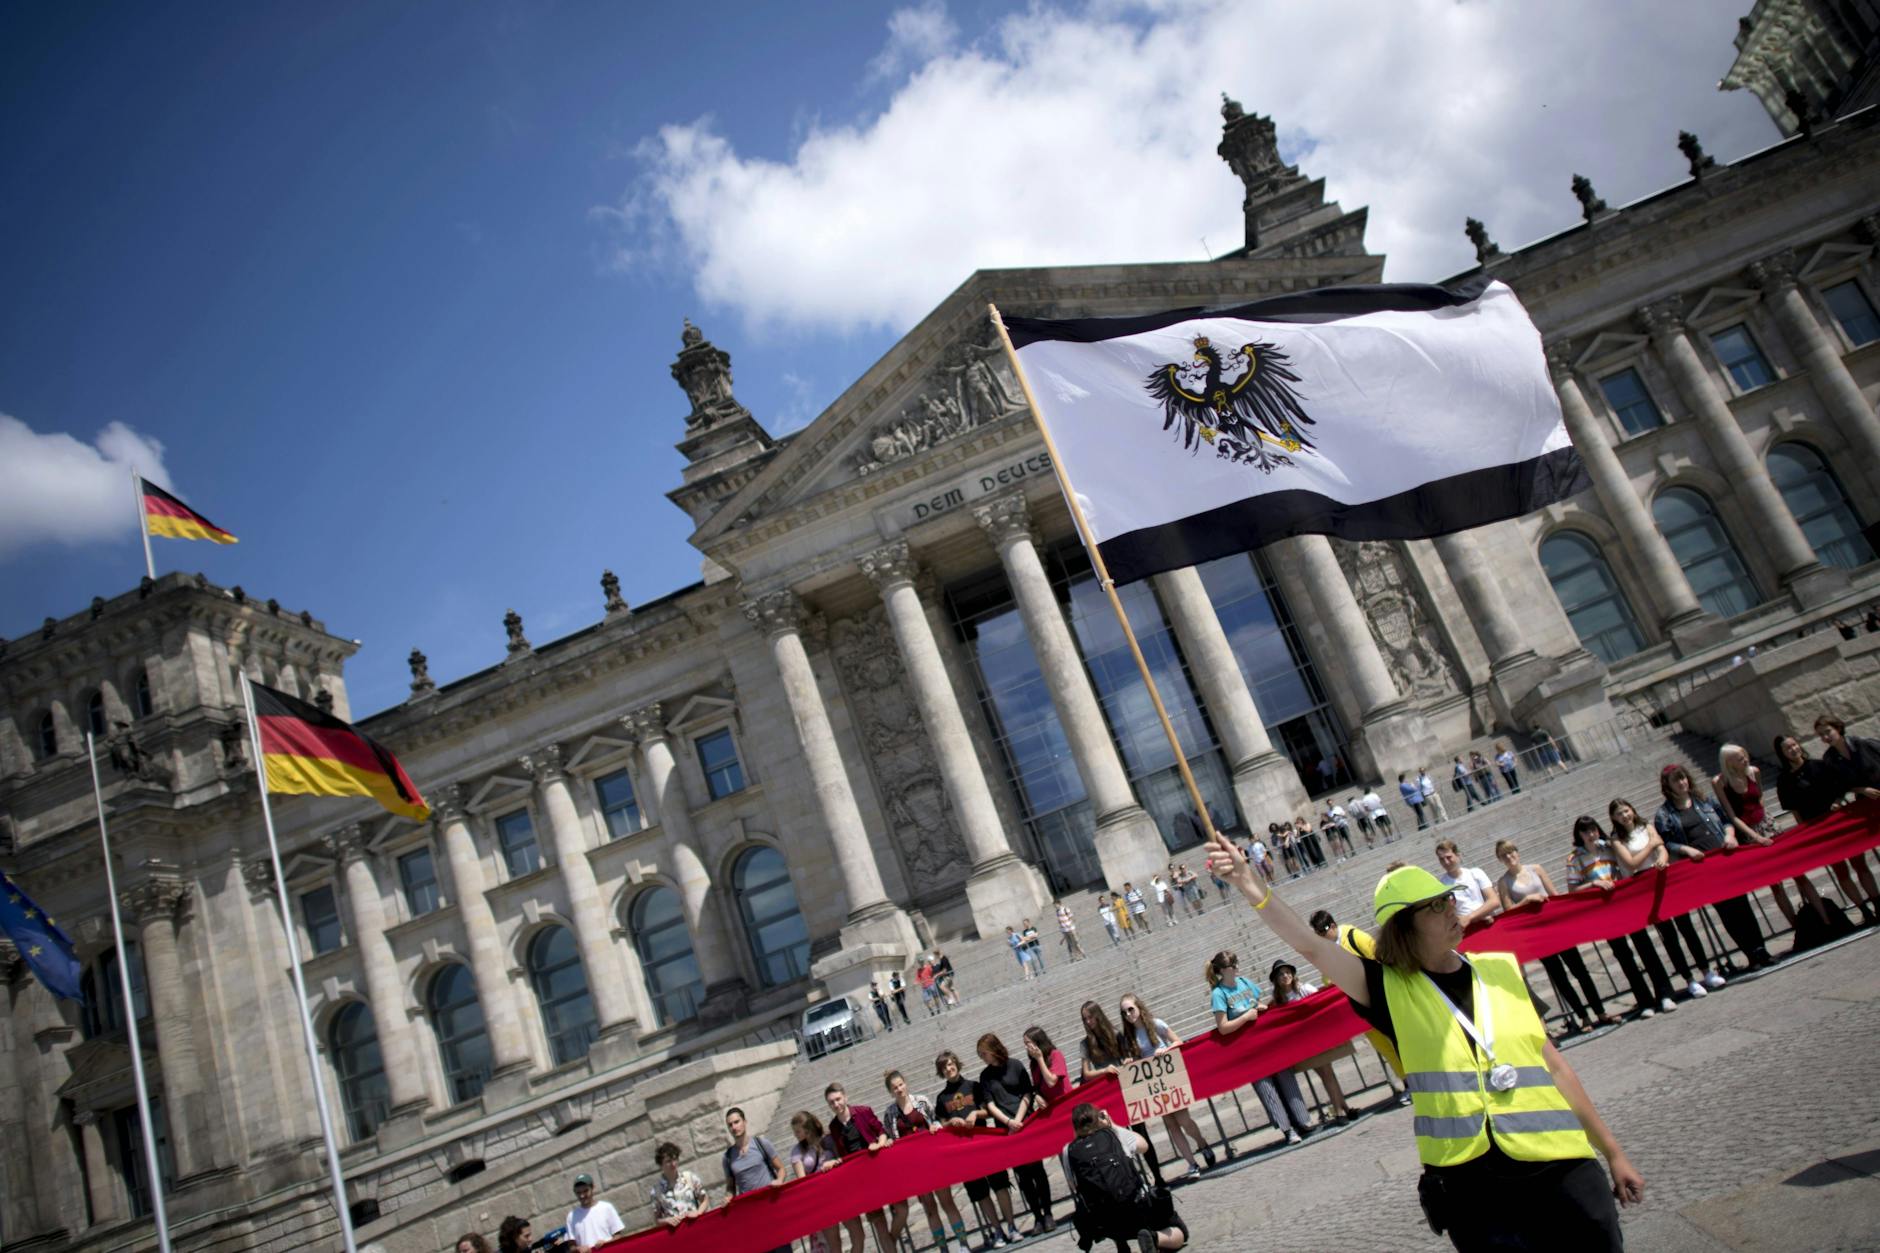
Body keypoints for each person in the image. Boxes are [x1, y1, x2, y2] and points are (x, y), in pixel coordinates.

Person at [1207, 843, 1645, 1252]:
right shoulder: (1386, 989)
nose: (1451, 908)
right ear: (1406, 926)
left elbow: (1556, 1069)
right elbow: (1310, 946)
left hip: (1559, 1163)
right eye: (1436, 906)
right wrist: (1252, 885)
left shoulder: (1499, 971)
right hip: (1472, 1182)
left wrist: (1614, 1151)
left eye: (1449, 899)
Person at [1653, 764, 1775, 970]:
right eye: (1676, 780)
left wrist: (1729, 835)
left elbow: (1726, 821)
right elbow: (1666, 841)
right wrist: (1686, 850)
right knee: (1727, 912)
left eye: (1683, 778)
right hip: (1702, 867)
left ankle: (1762, 950)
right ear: (1668, 785)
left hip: (1723, 859)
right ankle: (1751, 953)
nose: (1682, 783)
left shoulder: (1704, 800)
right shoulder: (1664, 814)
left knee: (1743, 906)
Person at [1492, 840, 1618, 1036]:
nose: (1509, 857)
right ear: (1500, 860)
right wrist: (1526, 901)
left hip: (1554, 925)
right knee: (1559, 977)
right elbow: (1508, 910)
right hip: (1535, 932)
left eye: (1511, 852)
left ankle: (1600, 1011)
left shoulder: (1536, 869)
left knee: (1580, 970)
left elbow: (1554, 894)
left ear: (1517, 852)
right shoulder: (1504, 882)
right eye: (1504, 855)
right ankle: (1582, 1016)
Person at [1564, 817, 1679, 1018]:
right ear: (1579, 835)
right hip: (1604, 911)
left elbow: (1627, 865)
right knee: (1624, 956)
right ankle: (1644, 1001)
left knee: (1645, 947)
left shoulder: (1610, 847)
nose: (1591, 835)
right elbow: (1572, 889)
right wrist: (1593, 884)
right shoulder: (1575, 859)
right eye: (1585, 832)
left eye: (1593, 830)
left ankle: (1664, 994)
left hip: (1625, 903)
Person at [1609, 797, 1723, 997]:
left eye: (1626, 811)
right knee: (1668, 934)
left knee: (1687, 927)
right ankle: (1689, 979)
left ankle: (1706, 971)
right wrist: (1650, 846)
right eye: (1619, 814)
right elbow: (1631, 863)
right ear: (1613, 818)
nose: (1625, 816)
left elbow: (1661, 847)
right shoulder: (1616, 839)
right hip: (1643, 883)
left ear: (1632, 810)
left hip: (1662, 876)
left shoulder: (1646, 826)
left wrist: (1661, 857)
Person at [1714, 743, 1829, 932]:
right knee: (1775, 884)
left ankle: (1825, 920)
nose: (1745, 759)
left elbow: (1759, 797)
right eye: (1739, 758)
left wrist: (1764, 820)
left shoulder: (1754, 772)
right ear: (1728, 762)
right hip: (1748, 832)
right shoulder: (1720, 782)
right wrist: (1755, 837)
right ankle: (1797, 927)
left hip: (1768, 825)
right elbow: (1731, 815)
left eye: (1745, 755)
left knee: (1799, 874)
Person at [1205, 950, 1313, 1143]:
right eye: (1233, 966)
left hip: (1265, 1041)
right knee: (1266, 1088)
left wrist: (1262, 1007)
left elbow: (1256, 1002)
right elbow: (1222, 1027)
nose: (1237, 968)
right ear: (1222, 970)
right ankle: (1287, 1130)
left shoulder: (1245, 982)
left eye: (1237, 964)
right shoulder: (1219, 994)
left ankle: (1301, 1119)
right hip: (1246, 1048)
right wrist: (1246, 1017)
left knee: (1286, 1077)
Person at [1775, 733, 1880, 924]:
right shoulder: (1784, 781)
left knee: (1860, 865)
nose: (1793, 749)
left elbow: (1842, 788)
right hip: (1818, 830)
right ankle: (1864, 910)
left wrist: (1838, 802)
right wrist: (1806, 834)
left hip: (1838, 821)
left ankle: (1877, 903)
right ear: (1782, 753)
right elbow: (1795, 811)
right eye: (1787, 748)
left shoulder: (1820, 765)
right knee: (1841, 872)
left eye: (1794, 745)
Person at [1307, 910, 1410, 1103]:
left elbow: (1377, 955)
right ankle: (1408, 1082)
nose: (1322, 935)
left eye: (1324, 930)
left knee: (1399, 1040)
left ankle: (1420, 1075)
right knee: (1384, 1047)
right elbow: (1328, 977)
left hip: (1382, 998)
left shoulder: (1354, 936)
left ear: (1334, 924)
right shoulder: (1327, 951)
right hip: (1362, 1007)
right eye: (1318, 933)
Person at [1061, 1103, 1187, 1253]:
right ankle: (1154, 1237)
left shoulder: (1068, 1151)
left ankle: (1120, 1242)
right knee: (1180, 1234)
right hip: (1138, 1209)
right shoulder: (1114, 1134)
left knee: (1104, 1191)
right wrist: (1112, 1124)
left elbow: (1073, 1185)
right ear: (1098, 1118)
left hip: (1104, 1221)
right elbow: (1144, 1145)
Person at [1120, 992, 1215, 1180]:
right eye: (1124, 1012)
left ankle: (1202, 1143)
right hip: (1152, 1085)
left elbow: (1178, 1041)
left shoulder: (1155, 1024)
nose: (1128, 1014)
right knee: (1171, 1125)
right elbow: (1134, 1060)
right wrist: (1129, 1061)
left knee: (1184, 1120)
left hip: (1169, 1079)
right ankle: (1192, 1164)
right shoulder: (1128, 1036)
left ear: (1139, 1007)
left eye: (1131, 1009)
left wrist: (1166, 1049)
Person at [934, 1049, 1022, 1249]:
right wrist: (951, 1122)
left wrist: (975, 1114)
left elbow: (988, 1111)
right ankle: (997, 1230)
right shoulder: (941, 1099)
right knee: (981, 1194)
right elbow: (941, 1124)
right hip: (963, 1152)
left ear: (957, 1063)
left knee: (1000, 1186)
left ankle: (1012, 1226)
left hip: (983, 1142)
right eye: (944, 1067)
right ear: (941, 1072)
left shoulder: (974, 1086)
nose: (949, 1069)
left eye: (950, 1064)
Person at [1076, 1002, 1166, 1187]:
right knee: (1116, 1140)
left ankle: (1158, 1177)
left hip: (1126, 1088)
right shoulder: (1086, 1044)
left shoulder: (1116, 1034)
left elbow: (1128, 1057)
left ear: (1098, 1016)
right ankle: (1133, 1182)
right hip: (1107, 1094)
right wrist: (1103, 1071)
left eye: (1090, 1017)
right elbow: (1086, 1073)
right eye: (1085, 1019)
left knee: (1140, 1133)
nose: (1088, 1021)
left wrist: (1126, 1061)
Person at [975, 1034, 1056, 1236]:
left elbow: (1027, 1093)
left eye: (983, 1053)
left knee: (1038, 1170)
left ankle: (1048, 1213)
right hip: (1005, 1128)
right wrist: (1009, 1122)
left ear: (993, 1049)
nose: (982, 1057)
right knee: (1023, 1175)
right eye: (980, 1055)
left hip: (1026, 1121)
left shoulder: (1016, 1065)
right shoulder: (985, 1076)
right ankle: (1037, 1217)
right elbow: (990, 1104)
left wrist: (1018, 1119)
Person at [883, 1070, 970, 1253]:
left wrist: (935, 1126)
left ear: (905, 1083)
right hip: (913, 1166)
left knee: (947, 1202)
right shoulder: (890, 1113)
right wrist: (889, 1142)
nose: (899, 1089)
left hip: (932, 1160)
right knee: (930, 1208)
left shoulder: (921, 1101)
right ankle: (943, 1248)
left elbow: (937, 1120)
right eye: (895, 1088)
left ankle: (963, 1244)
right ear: (890, 1092)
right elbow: (890, 1136)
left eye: (900, 1084)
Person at [1268, 959, 1353, 1124]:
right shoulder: (1278, 1000)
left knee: (1327, 1074)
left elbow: (1321, 1003)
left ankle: (1339, 1112)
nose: (1285, 976)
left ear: (1292, 974)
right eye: (1281, 974)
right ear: (1276, 979)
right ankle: (1344, 1107)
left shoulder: (1304, 988)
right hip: (1303, 1044)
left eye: (1287, 972)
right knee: (1327, 1075)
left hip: (1317, 1038)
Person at [823, 1082, 899, 1253]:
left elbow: (881, 1131)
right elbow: (843, 1154)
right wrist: (835, 1162)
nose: (836, 1104)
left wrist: (878, 1144)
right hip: (861, 1181)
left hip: (880, 1171)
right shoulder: (834, 1127)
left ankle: (892, 1239)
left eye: (838, 1099)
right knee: (879, 1224)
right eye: (832, 1102)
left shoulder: (863, 1111)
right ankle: (890, 1247)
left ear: (845, 1097)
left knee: (901, 1210)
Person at [790, 1111, 858, 1253]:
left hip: (840, 1193)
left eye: (797, 1131)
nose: (795, 1134)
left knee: (858, 1235)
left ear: (807, 1129)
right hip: (820, 1199)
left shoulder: (828, 1139)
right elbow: (801, 1180)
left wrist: (834, 1162)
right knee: (834, 1243)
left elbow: (842, 1159)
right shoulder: (797, 1150)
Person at [1434, 841, 1500, 929]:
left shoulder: (1476, 873)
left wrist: (1470, 917)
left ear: (1457, 855)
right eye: (1441, 859)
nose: (1446, 862)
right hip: (1466, 930)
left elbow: (1494, 901)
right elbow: (1448, 915)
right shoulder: (1441, 886)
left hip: (1488, 923)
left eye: (1449, 857)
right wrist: (1478, 915)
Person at [650, 1142, 710, 1229]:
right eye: (668, 1161)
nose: (673, 1164)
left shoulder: (689, 1177)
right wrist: (667, 1220)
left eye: (675, 1159)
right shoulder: (656, 1191)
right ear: (661, 1164)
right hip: (675, 1235)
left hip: (695, 1227)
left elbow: (705, 1200)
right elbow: (657, 1220)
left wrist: (698, 1212)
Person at [1818, 713, 1880, 793]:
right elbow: (1840, 784)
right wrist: (1861, 790)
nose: (1825, 737)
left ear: (1838, 729)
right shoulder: (1829, 758)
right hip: (1867, 799)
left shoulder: (1863, 743)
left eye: (1828, 731)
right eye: (1821, 735)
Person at [1025, 1025, 1072, 1105]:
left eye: (1027, 1043)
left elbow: (1051, 1082)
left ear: (1037, 1042)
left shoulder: (1055, 1055)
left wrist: (1040, 1058)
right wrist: (1037, 1095)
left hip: (1066, 1101)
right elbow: (1037, 1086)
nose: (1026, 1047)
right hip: (1050, 1106)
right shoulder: (1033, 1063)